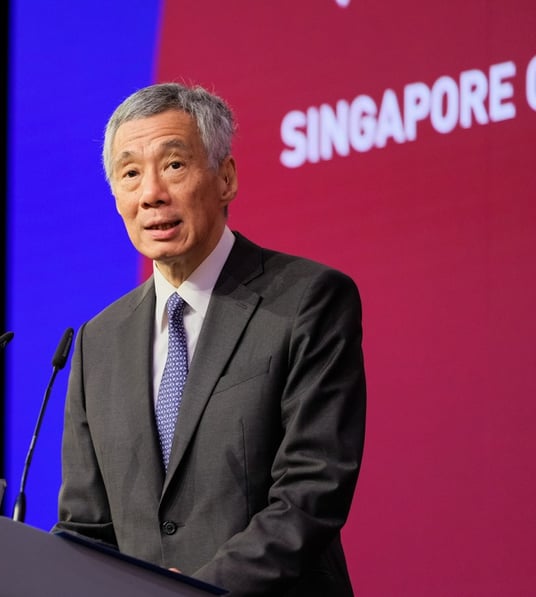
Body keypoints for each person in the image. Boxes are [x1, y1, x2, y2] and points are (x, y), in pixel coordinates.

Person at [52, 81, 366, 597]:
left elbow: (312, 491)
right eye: (130, 174)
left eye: (173, 165)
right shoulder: (97, 342)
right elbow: (85, 526)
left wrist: (202, 591)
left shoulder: (307, 299)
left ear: (225, 177)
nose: (151, 192)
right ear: (116, 197)